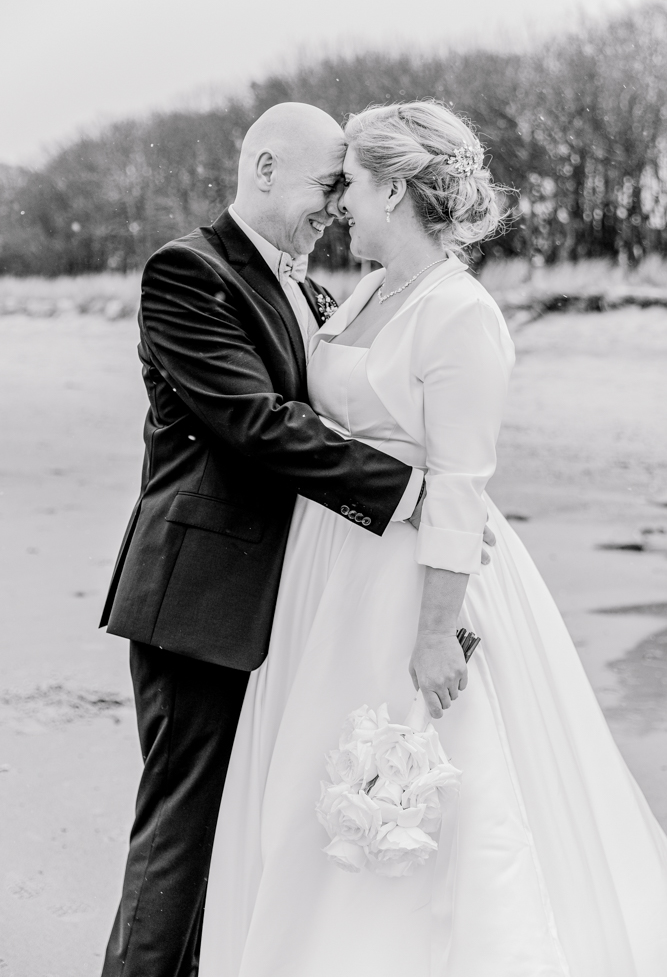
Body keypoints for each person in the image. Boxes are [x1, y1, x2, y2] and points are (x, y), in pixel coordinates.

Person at [198, 101, 667, 977]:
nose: (341, 206)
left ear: (397, 189)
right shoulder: (371, 289)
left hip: (410, 582)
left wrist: (431, 631)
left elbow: (459, 486)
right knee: (311, 775)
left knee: (413, 782)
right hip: (326, 574)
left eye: (354, 186)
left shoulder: (459, 313)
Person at [99, 102, 472, 977]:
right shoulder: (188, 273)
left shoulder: (309, 288)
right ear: (263, 170)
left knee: (246, 836)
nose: (338, 207)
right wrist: (410, 493)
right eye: (326, 185)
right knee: (182, 834)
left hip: (291, 604)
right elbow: (255, 424)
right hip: (202, 596)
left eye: (349, 190)